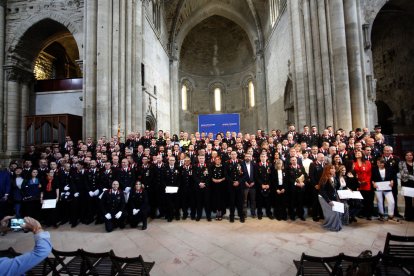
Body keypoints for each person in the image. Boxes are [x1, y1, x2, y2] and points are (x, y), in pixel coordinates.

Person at [318, 165, 342, 231]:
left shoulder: (333, 177)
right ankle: (331, 226)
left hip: (331, 196)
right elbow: (322, 191)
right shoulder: (324, 178)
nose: (333, 170)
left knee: (337, 211)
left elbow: (336, 188)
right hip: (324, 198)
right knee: (333, 213)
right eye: (331, 168)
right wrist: (328, 201)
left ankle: (336, 225)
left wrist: (337, 177)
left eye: (334, 168)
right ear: (327, 170)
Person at [354, 150, 373, 220]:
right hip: (358, 184)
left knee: (367, 199)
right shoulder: (354, 163)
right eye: (356, 153)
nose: (357, 154)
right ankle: (361, 213)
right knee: (360, 200)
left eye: (359, 153)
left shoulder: (367, 162)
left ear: (362, 154)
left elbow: (369, 173)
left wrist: (366, 181)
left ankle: (368, 214)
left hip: (366, 183)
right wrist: (357, 182)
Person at [399, 151, 414, 221]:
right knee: (408, 201)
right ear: (405, 156)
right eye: (407, 155)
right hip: (406, 184)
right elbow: (403, 174)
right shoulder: (401, 163)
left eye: (410, 155)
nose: (409, 156)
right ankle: (408, 216)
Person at [211, 156, 227, 220]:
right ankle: (217, 212)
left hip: (222, 185)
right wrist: (213, 179)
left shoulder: (223, 167)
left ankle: (220, 212)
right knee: (216, 199)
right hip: (214, 185)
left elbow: (226, 176)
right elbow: (210, 175)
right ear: (214, 160)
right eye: (216, 160)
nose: (217, 161)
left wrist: (221, 180)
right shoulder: (212, 167)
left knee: (221, 199)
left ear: (220, 160)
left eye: (218, 159)